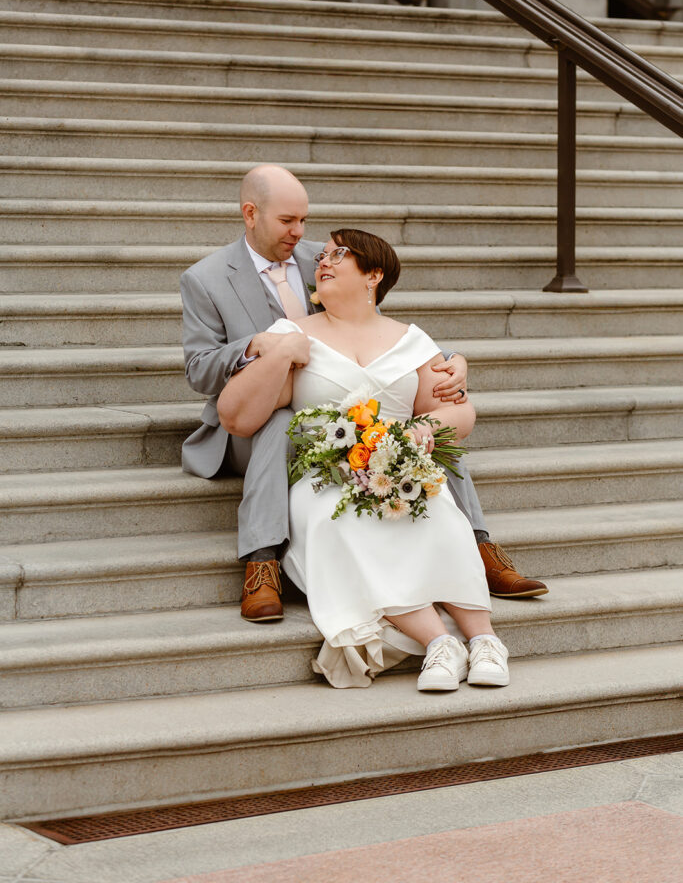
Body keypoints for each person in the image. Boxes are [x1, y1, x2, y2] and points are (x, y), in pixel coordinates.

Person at [180, 164, 547, 623]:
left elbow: (376, 330)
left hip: (341, 405)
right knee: (279, 422)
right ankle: (261, 562)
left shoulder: (324, 257)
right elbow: (199, 371)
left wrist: (454, 359)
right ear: (250, 214)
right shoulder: (207, 278)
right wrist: (258, 345)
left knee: (414, 425)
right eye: (287, 221)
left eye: (304, 220)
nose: (300, 234)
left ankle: (479, 544)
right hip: (252, 423)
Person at [217, 228, 510, 690]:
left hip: (400, 469)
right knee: (344, 523)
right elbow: (236, 416)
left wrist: (422, 431)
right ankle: (440, 643)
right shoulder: (293, 334)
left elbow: (458, 409)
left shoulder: (411, 341)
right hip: (327, 478)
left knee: (441, 514)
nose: (322, 262)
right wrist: (278, 356)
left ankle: (486, 641)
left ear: (373, 275)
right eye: (323, 257)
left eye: (339, 255)